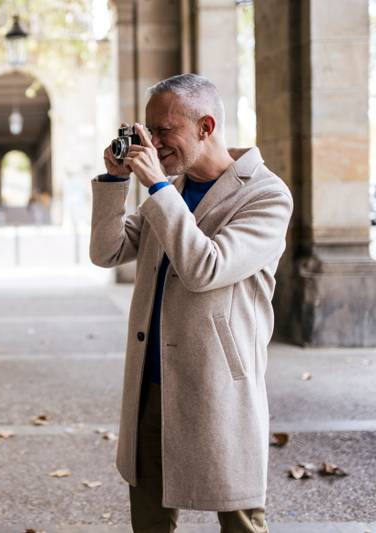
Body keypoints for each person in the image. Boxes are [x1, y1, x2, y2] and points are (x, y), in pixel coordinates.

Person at [89, 74, 293, 532]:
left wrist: (158, 188)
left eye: (165, 131)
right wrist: (114, 182)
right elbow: (107, 252)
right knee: (150, 518)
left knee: (239, 515)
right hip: (151, 375)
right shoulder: (173, 190)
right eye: (147, 131)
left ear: (206, 126)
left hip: (218, 379)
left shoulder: (265, 194)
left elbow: (207, 269)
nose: (154, 144)